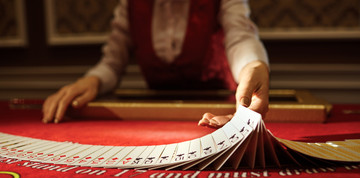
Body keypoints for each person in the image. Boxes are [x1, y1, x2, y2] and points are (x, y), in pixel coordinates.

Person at [42, 0, 269, 128]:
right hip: (156, 118)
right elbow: (112, 63)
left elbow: (241, 37)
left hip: (221, 115)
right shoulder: (130, 5)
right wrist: (91, 80)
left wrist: (253, 67)